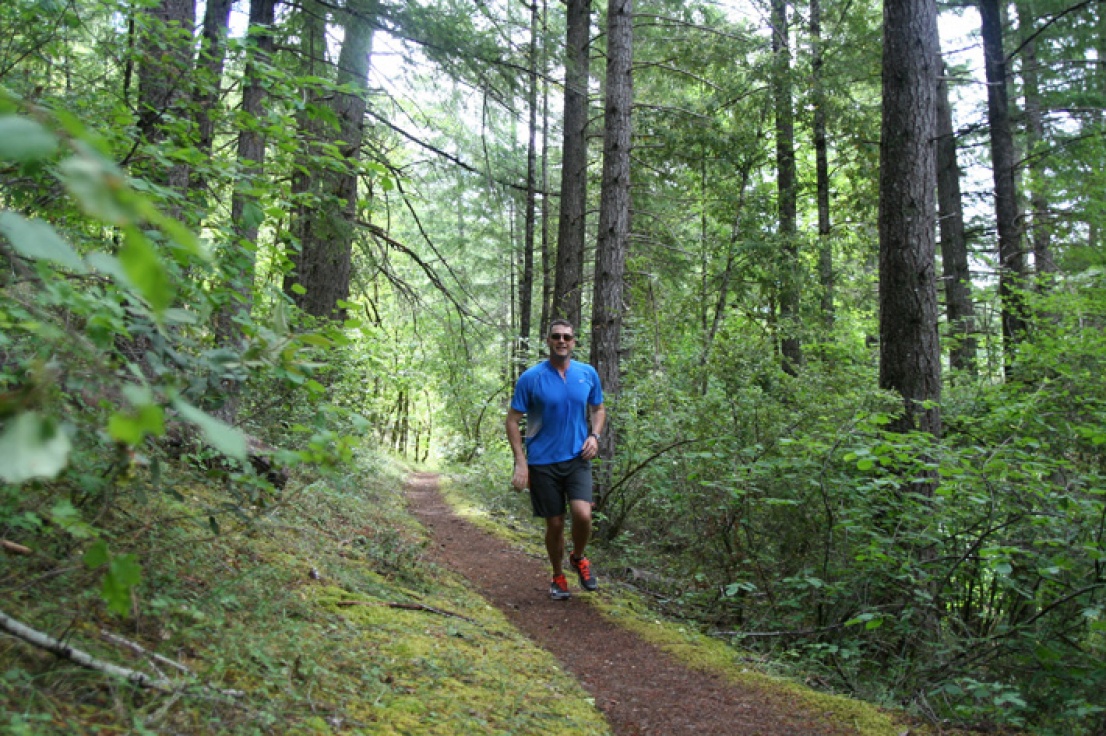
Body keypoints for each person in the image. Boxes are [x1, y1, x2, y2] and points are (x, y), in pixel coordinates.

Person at [506, 319, 606, 600]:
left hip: (577, 457)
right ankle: (558, 576)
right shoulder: (531, 378)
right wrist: (520, 461)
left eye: (567, 337)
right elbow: (512, 421)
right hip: (542, 462)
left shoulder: (587, 374)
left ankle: (578, 557)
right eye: (556, 336)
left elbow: (598, 409)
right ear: (548, 341)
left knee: (583, 515)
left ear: (574, 342)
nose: (562, 341)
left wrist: (594, 436)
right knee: (555, 525)